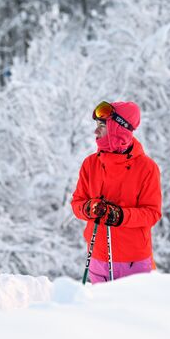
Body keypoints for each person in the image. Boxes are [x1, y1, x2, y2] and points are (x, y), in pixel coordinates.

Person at [71, 101, 162, 284]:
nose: (96, 132)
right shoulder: (90, 164)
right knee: (99, 311)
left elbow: (152, 213)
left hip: (135, 261)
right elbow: (77, 203)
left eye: (102, 126)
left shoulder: (147, 168)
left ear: (118, 128)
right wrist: (88, 208)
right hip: (98, 257)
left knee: (136, 312)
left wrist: (119, 215)